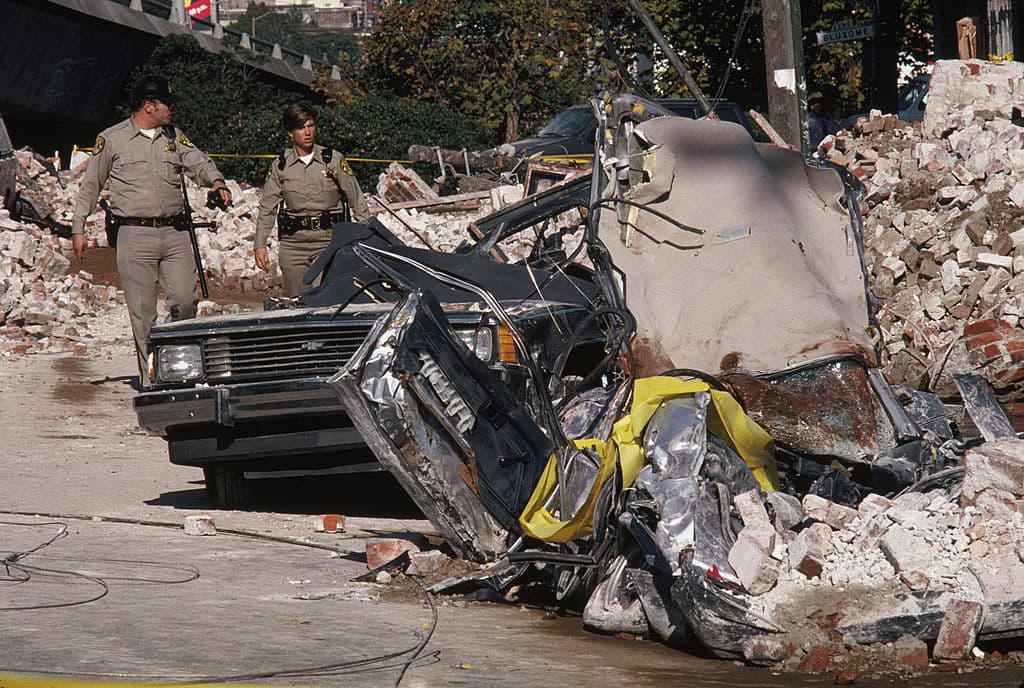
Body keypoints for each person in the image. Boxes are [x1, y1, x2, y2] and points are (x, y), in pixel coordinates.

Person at [72, 76, 232, 380]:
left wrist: (217, 181)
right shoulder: (112, 139)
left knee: (186, 301)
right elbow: (90, 185)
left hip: (175, 234)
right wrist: (78, 228)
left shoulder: (173, 136)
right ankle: (153, 378)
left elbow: (198, 161)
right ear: (149, 106)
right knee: (144, 313)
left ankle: (182, 367)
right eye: (167, 104)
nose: (171, 110)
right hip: (134, 236)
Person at [254, 103, 370, 297]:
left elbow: (356, 198)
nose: (307, 132)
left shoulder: (332, 160)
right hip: (293, 247)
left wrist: (368, 234)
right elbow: (267, 208)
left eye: (311, 125)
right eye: (301, 127)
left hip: (329, 243)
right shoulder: (280, 166)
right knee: (298, 303)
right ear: (290, 133)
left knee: (330, 301)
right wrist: (259, 245)